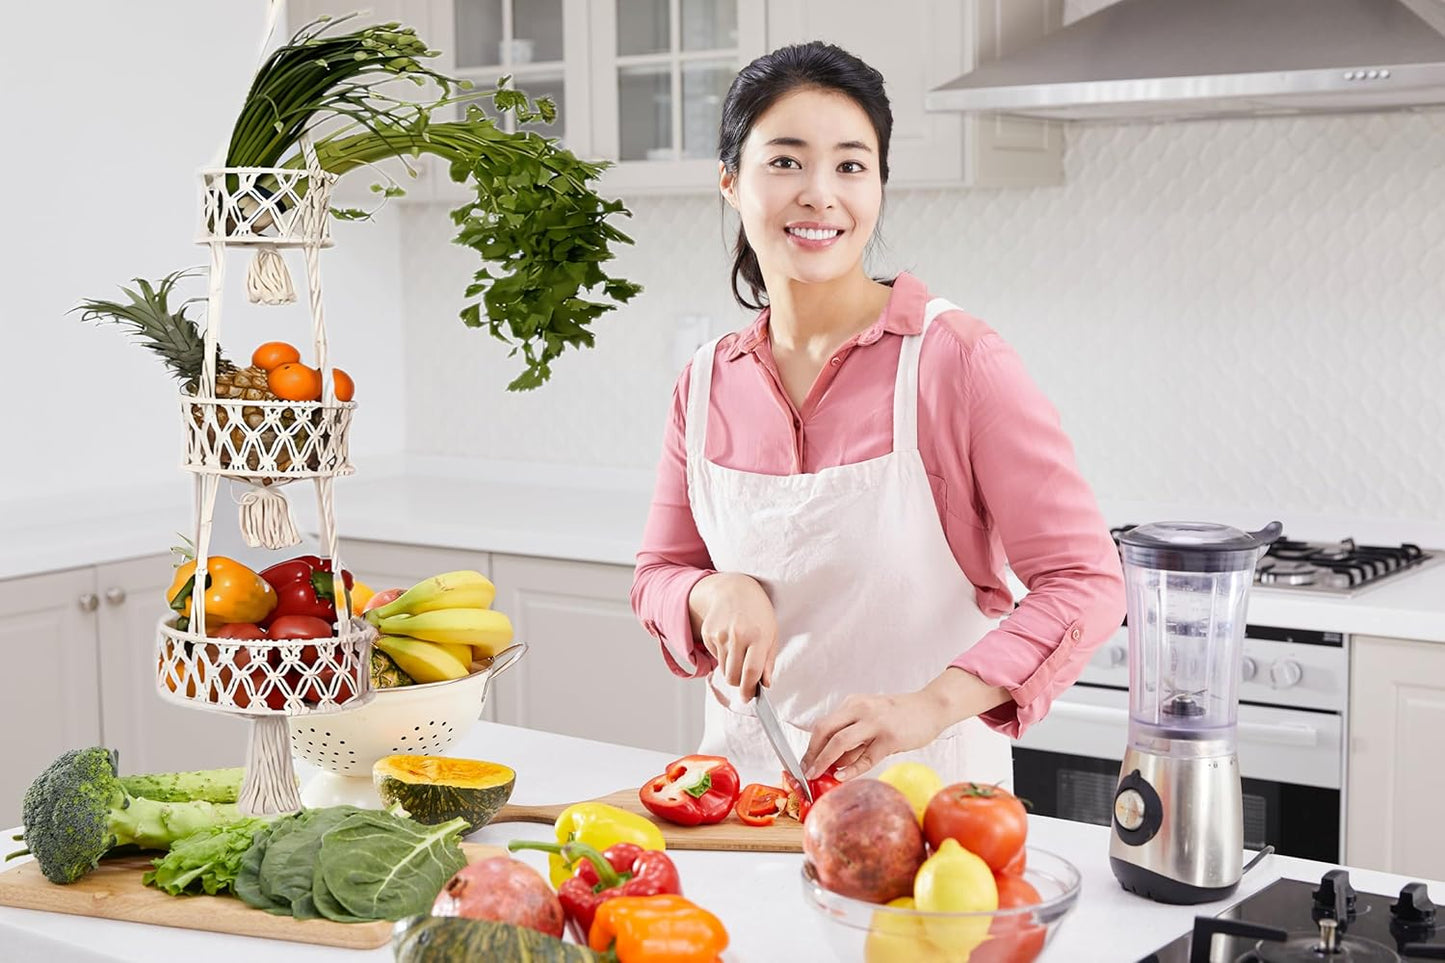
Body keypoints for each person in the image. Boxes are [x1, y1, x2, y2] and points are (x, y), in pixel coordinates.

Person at [629, 41, 1126, 788]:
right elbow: (658, 573)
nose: (819, 194)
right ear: (730, 182)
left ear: (880, 187)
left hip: (930, 808)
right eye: (786, 161)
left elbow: (1084, 580)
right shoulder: (705, 383)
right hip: (741, 805)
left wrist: (932, 704)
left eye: (850, 166)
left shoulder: (955, 360)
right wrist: (710, 593)